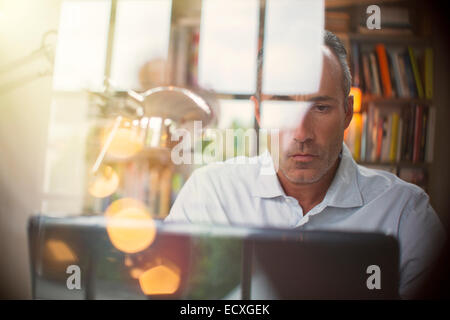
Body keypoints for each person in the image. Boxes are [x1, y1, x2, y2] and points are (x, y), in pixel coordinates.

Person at [165, 30, 446, 299]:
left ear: (347, 113)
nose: (301, 133)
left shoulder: (404, 213)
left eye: (320, 107)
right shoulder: (209, 194)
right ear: (259, 112)